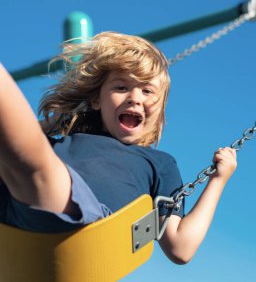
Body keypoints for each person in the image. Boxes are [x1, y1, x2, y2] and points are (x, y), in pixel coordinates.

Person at [0, 31, 237, 264]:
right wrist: (54, 122)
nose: (135, 97)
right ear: (96, 100)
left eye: (147, 91)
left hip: (87, 228)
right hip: (15, 218)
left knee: (33, 163)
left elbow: (181, 248)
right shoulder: (66, 142)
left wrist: (218, 180)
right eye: (121, 88)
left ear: (160, 108)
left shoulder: (158, 163)